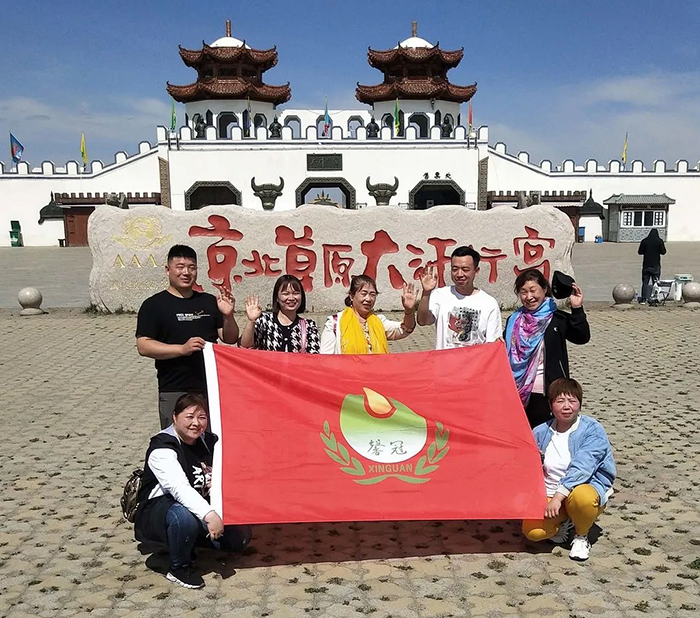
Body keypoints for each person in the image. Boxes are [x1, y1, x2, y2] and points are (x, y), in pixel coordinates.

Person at [134, 393, 252, 589]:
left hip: (197, 505)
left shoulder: (207, 440)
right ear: (175, 417)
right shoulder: (162, 448)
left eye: (202, 417)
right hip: (161, 511)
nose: (196, 423)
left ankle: (185, 542)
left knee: (240, 538)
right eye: (189, 416)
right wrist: (210, 515)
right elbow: (179, 488)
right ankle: (179, 567)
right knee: (183, 517)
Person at [136, 244, 239, 429]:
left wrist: (228, 315)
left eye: (191, 267)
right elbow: (143, 346)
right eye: (180, 267)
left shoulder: (208, 301)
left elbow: (230, 338)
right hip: (174, 388)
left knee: (210, 438)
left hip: (210, 386)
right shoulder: (153, 305)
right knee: (176, 439)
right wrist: (182, 349)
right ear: (167, 270)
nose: (186, 272)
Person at [522, 378, 615, 562]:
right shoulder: (540, 431)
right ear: (551, 405)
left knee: (582, 498)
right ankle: (564, 521)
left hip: (581, 489)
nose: (566, 406)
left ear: (579, 404)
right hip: (550, 493)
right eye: (560, 401)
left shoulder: (592, 429)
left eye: (572, 401)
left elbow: (583, 466)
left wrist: (558, 497)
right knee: (533, 532)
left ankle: (581, 535)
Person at [504, 269, 590, 428]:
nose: (529, 297)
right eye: (523, 292)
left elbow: (581, 337)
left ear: (544, 289)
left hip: (549, 392)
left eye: (533, 290)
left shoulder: (556, 318)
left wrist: (577, 308)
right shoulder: (514, 321)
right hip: (517, 392)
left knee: (547, 436)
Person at [417, 246, 502, 349]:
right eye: (455, 269)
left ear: (476, 271)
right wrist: (426, 293)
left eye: (465, 269)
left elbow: (492, 345)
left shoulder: (489, 303)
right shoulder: (440, 295)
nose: (459, 274)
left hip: (475, 359)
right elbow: (422, 321)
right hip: (444, 359)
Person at [320, 275, 417, 354]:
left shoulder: (379, 321)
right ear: (352, 296)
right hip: (347, 372)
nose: (368, 299)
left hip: (377, 372)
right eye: (364, 293)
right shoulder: (334, 323)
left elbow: (405, 329)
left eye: (372, 294)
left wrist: (409, 310)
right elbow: (325, 359)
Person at [239, 274, 320, 353]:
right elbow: (245, 347)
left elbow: (314, 357)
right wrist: (251, 320)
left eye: (296, 293)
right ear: (277, 298)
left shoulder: (309, 326)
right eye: (285, 294)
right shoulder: (264, 321)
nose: (291, 298)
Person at [637, 228, 667, 304]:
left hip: (646, 266)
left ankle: (643, 299)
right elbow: (663, 252)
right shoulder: (659, 241)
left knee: (645, 283)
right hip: (656, 266)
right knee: (656, 283)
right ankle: (655, 298)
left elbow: (640, 252)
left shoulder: (645, 241)